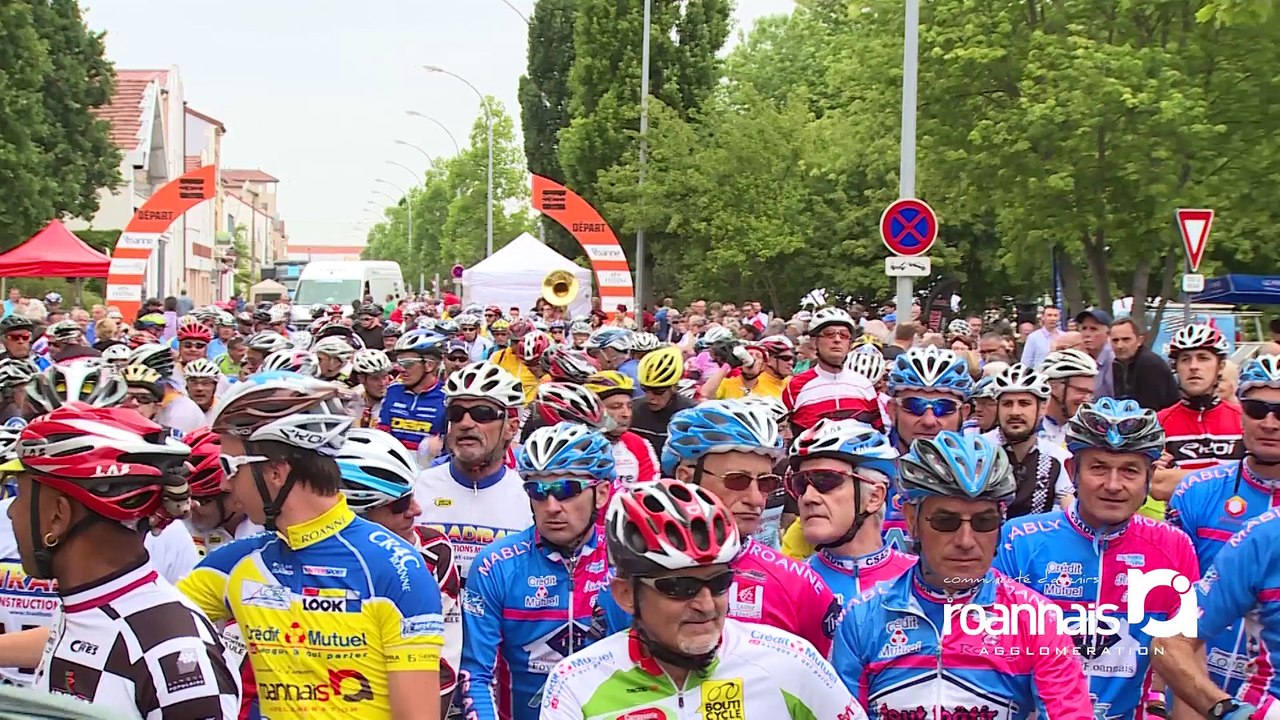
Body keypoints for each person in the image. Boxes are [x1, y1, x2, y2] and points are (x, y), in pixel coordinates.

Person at [177, 371, 446, 720]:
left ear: (276, 472)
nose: (226, 484)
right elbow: (135, 622)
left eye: (230, 466)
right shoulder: (233, 564)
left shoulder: (395, 567)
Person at [540, 479, 864, 720]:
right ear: (626, 595)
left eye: (720, 582)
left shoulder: (790, 661)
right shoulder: (577, 683)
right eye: (680, 587)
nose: (706, 605)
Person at [830, 431, 1092, 719]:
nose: (966, 540)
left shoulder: (1035, 617)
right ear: (911, 521)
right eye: (946, 521)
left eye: (984, 522)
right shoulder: (863, 616)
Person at [0, 403, 240, 718]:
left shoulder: (175, 652)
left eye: (23, 495)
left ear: (58, 516)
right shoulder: (92, 608)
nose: (11, 512)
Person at [994, 398, 1198, 720]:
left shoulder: (1174, 547)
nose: (1113, 485)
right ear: (1073, 470)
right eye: (1098, 467)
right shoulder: (1019, 540)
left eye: (1130, 470)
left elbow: (1186, 657)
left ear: (1149, 477)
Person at [606, 400, 841, 654]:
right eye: (737, 480)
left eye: (766, 483)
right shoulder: (634, 575)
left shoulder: (798, 584)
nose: (755, 498)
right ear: (686, 478)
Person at [458, 423, 614, 720]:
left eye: (566, 490)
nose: (551, 506)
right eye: (537, 491)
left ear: (602, 493)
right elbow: (476, 674)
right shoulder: (496, 564)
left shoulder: (624, 562)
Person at [1165, 353, 1280, 696]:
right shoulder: (1196, 490)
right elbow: (1167, 604)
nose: (1269, 423)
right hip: (1199, 681)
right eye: (1257, 410)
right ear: (1239, 413)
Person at [335, 428, 462, 718]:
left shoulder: (434, 551)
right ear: (357, 513)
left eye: (412, 496)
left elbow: (442, 665)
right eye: (400, 504)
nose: (416, 510)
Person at [413, 361, 532, 581]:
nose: (465, 423)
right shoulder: (417, 488)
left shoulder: (530, 497)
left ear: (511, 427)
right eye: (456, 413)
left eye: (482, 413)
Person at [788, 418, 914, 606]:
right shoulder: (788, 584)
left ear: (874, 497)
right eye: (800, 484)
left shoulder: (924, 580)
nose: (808, 497)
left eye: (826, 481)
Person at [1153, 324, 1243, 508]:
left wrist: (1178, 477)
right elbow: (1157, 486)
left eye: (1203, 358)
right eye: (1185, 359)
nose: (1194, 366)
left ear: (1221, 366)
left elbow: (1260, 479)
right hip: (1181, 527)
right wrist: (1233, 476)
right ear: (1175, 367)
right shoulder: (1158, 422)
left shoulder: (1244, 419)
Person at [982, 363, 1074, 518]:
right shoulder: (979, 449)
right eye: (1007, 404)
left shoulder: (1057, 456)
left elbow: (1070, 507)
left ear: (1042, 408)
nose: (1015, 412)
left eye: (1024, 403)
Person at [782, 307, 878, 432]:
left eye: (844, 335)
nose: (837, 340)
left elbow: (878, 432)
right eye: (829, 334)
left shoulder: (864, 384)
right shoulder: (795, 385)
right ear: (814, 341)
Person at [379, 330, 448, 459]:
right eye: (399, 363)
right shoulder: (393, 390)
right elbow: (382, 432)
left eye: (407, 364)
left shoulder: (447, 397)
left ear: (429, 365)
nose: (400, 369)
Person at [584, 371, 660, 487]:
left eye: (629, 407)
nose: (626, 414)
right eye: (616, 407)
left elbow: (649, 490)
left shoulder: (638, 444)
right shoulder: (578, 444)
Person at [630, 344, 695, 456]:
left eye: (658, 392)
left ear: (674, 387)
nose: (650, 397)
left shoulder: (691, 413)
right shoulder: (632, 410)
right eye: (645, 390)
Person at [1109, 317, 1178, 411]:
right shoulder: (1118, 364)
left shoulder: (1150, 364)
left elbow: (1149, 408)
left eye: (1126, 340)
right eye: (1115, 340)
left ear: (1139, 341)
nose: (1119, 346)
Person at [1036, 348, 1098, 447]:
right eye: (1081, 391)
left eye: (1090, 393)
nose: (1087, 399)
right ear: (1053, 386)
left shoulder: (1088, 433)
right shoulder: (1028, 429)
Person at [349, 347, 393, 428]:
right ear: (361, 379)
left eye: (384, 377)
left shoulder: (395, 402)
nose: (382, 383)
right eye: (375, 378)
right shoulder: (351, 400)